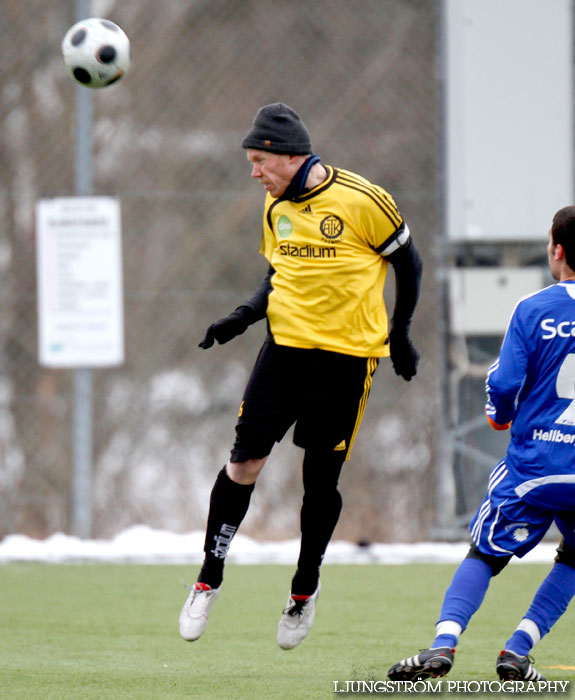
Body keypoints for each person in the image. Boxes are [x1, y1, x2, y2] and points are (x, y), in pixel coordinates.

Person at [179, 102, 423, 649]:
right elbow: (280, 273)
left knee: (320, 481)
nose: (254, 172)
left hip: (346, 359)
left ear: (292, 156)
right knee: (243, 463)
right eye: (251, 161)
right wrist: (244, 316)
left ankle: (304, 587)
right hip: (283, 351)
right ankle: (208, 576)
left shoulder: (364, 201)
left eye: (260, 160)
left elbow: (410, 265)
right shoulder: (273, 207)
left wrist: (399, 333)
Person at [388, 206, 575, 681]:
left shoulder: (534, 309)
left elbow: (505, 381)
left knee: (485, 555)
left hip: (533, 467)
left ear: (557, 249)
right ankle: (516, 650)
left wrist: (500, 417)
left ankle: (443, 645)